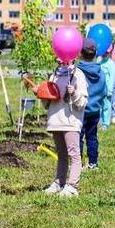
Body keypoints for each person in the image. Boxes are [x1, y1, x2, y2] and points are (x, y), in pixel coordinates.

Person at [31, 60, 88, 198]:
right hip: (56, 121)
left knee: (73, 153)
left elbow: (83, 103)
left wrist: (74, 93)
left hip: (70, 122)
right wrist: (39, 93)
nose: (58, 57)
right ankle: (59, 182)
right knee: (61, 154)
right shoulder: (54, 75)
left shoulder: (77, 75)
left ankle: (72, 186)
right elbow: (49, 101)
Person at [77, 39, 106, 169]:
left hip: (80, 110)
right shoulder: (101, 71)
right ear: (95, 54)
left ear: (80, 53)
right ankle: (93, 163)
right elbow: (104, 91)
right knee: (92, 136)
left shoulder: (77, 71)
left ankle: (78, 163)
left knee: (78, 137)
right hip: (95, 111)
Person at [99, 46, 115, 129]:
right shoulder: (100, 62)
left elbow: (112, 78)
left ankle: (106, 123)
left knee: (106, 106)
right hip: (99, 89)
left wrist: (109, 90)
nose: (105, 54)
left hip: (107, 89)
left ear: (109, 53)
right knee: (99, 106)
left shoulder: (111, 64)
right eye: (103, 52)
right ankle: (99, 122)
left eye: (107, 52)